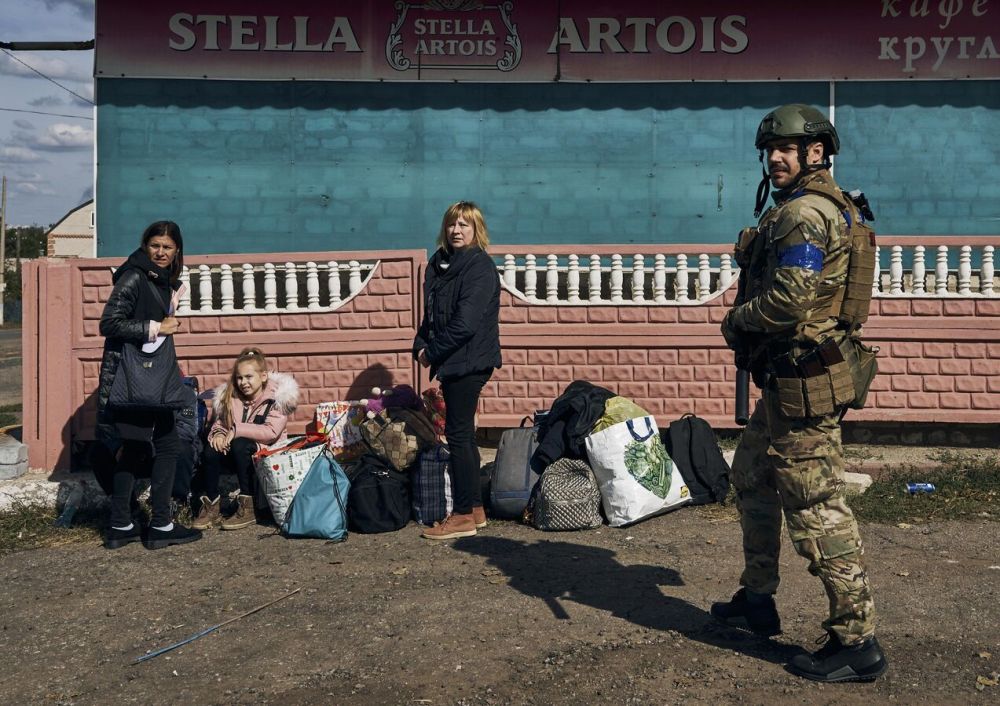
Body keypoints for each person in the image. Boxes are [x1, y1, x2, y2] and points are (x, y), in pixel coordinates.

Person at [714, 104, 888, 682]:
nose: (775, 158)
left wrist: (737, 320)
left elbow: (789, 302)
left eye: (786, 148)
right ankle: (757, 597)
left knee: (816, 508)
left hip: (803, 385)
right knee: (751, 477)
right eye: (770, 150)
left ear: (816, 152)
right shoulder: (822, 205)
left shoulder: (805, 214)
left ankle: (856, 641)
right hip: (788, 384)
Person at [97, 220, 202, 550]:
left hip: (148, 379)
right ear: (145, 246)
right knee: (166, 446)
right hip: (137, 379)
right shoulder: (134, 276)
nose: (160, 252)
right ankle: (159, 525)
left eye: (167, 247)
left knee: (137, 448)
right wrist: (157, 327)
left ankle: (121, 525)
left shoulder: (159, 280)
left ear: (177, 250)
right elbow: (109, 323)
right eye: (155, 245)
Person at [413, 201, 501, 540]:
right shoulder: (439, 265)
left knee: (459, 435)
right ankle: (475, 508)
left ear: (476, 229)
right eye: (452, 224)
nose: (456, 230)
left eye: (464, 224)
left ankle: (462, 515)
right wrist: (420, 344)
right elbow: (433, 315)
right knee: (462, 434)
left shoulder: (479, 267)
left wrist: (432, 352)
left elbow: (465, 323)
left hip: (471, 360)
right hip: (452, 360)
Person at [192, 347, 299, 530]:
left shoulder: (278, 398)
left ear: (263, 376)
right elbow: (221, 424)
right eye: (239, 378)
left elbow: (271, 432)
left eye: (249, 377)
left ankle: (248, 506)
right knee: (211, 450)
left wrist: (237, 430)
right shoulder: (232, 396)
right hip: (235, 454)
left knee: (241, 444)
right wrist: (218, 434)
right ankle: (212, 505)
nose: (243, 382)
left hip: (266, 454)